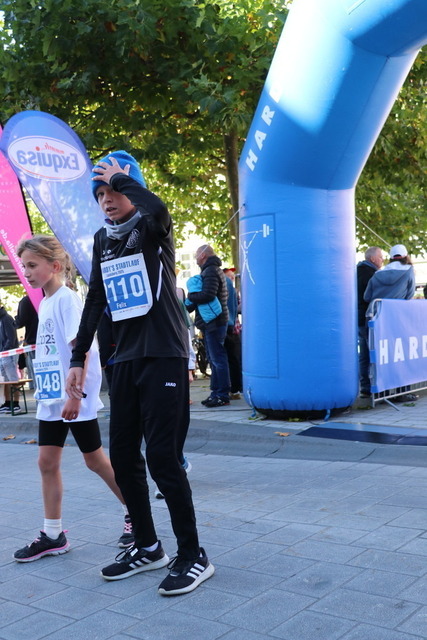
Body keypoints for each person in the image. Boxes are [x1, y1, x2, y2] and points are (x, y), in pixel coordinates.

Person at [64, 151, 213, 596]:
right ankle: (148, 546)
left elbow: (160, 210)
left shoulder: (152, 228)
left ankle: (194, 555)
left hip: (164, 352)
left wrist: (125, 179)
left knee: (162, 457)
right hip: (124, 358)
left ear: (133, 189)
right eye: (100, 194)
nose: (107, 200)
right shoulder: (102, 239)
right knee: (125, 456)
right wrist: (78, 358)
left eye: (114, 190)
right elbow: (96, 298)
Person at [14, 235, 134, 562]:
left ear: (54, 266)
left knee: (94, 460)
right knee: (46, 462)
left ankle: (136, 513)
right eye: (24, 265)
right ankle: (53, 534)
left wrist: (76, 397)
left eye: (32, 265)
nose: (26, 272)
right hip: (52, 397)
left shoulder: (67, 300)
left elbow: (83, 351)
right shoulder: (45, 302)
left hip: (72, 397)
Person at [364, 243, 417, 403]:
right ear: (406, 256)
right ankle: (402, 392)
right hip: (398, 318)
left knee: (381, 355)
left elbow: (367, 296)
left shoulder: (378, 273)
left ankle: (382, 393)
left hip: (376, 318)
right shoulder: (408, 270)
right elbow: (410, 294)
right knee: (401, 354)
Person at [186, 245, 230, 407]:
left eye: (196, 255)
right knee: (213, 359)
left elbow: (208, 294)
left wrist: (191, 295)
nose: (195, 258)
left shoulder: (210, 271)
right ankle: (215, 393)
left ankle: (222, 395)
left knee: (217, 359)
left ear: (203, 255)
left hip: (214, 322)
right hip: (213, 322)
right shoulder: (212, 270)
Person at [356, 247, 383, 398]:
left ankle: (365, 388)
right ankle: (373, 387)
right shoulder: (370, 274)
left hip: (360, 318)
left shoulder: (357, 271)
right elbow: (368, 296)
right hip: (367, 319)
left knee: (364, 354)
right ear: (372, 259)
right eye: (380, 257)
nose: (382, 260)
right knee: (371, 353)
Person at [223, 267, 243, 399]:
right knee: (233, 358)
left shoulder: (234, 292)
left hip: (233, 328)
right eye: (229, 277)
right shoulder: (231, 291)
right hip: (231, 327)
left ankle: (235, 387)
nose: (231, 279)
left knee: (234, 358)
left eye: (233, 277)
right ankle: (235, 387)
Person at [0, 301, 21, 414]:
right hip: (3, 354)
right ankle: (8, 403)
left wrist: (5, 350)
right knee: (6, 380)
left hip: (9, 353)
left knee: (13, 379)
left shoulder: (6, 318)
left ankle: (16, 403)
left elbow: (11, 337)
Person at [15, 294, 39, 389]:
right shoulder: (49, 296)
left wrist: (16, 320)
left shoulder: (26, 301)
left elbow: (20, 322)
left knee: (37, 377)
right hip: (49, 341)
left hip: (33, 341)